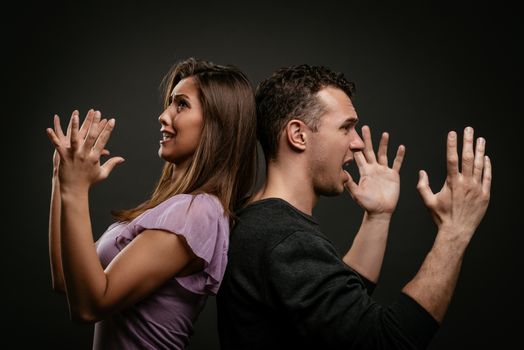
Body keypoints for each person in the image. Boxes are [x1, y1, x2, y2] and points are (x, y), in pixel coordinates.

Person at [216, 64, 492, 349]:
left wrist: (379, 217)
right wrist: (454, 233)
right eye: (346, 127)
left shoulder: (262, 223)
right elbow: (386, 342)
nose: (358, 143)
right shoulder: (284, 239)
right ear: (298, 135)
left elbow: (337, 308)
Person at [46, 58, 258, 349]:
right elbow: (65, 281)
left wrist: (77, 190)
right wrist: (62, 179)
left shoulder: (197, 212)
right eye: (170, 103)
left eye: (181, 105)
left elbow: (89, 307)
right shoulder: (174, 207)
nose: (163, 115)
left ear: (216, 124)